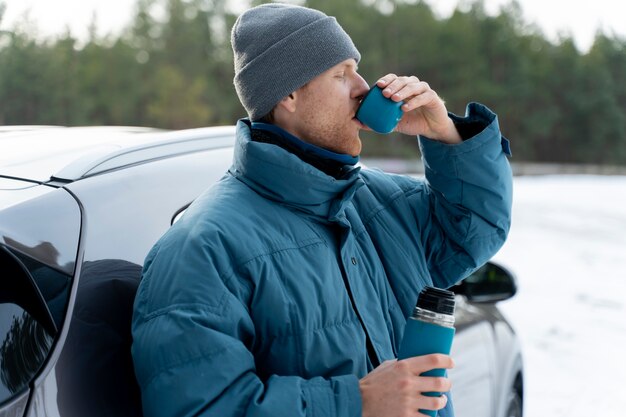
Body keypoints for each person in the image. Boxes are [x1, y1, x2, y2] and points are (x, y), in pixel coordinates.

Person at [131, 3, 513, 417]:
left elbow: (475, 229)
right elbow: (198, 408)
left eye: (357, 69)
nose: (363, 88)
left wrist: (447, 136)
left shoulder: (380, 204)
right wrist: (357, 403)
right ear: (289, 94)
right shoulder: (204, 249)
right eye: (341, 74)